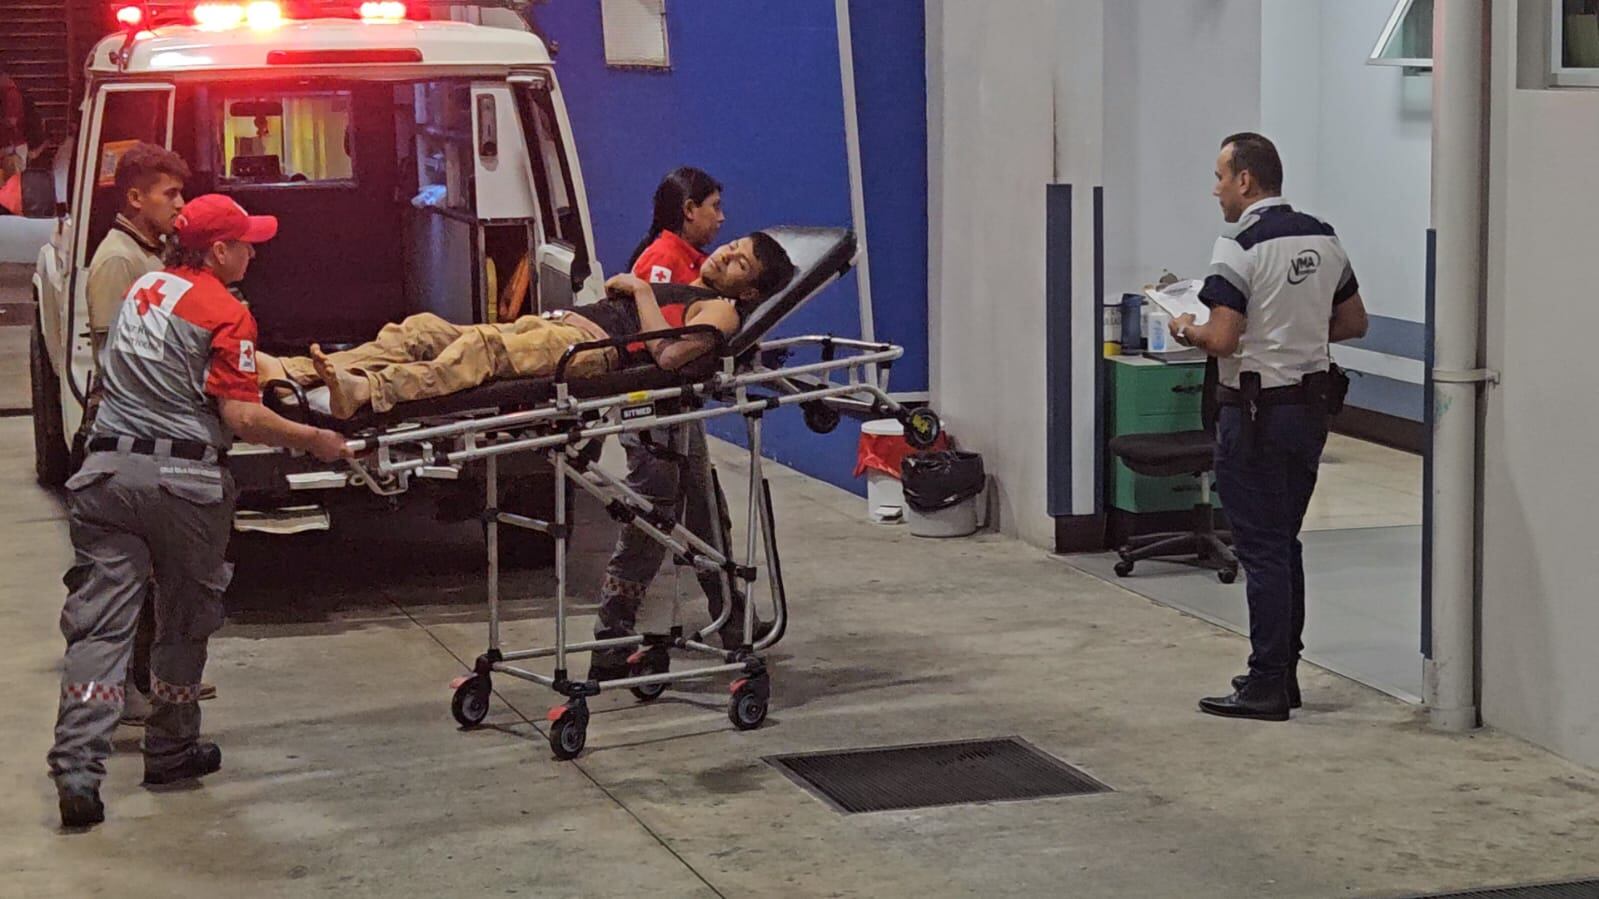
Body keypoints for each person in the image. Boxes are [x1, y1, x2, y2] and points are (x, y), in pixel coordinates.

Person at [50, 194, 352, 829]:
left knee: (100, 627)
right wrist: (314, 439)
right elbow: (239, 417)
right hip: (183, 486)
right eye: (245, 243)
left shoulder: (145, 288)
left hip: (105, 474)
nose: (252, 251)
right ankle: (170, 749)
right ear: (218, 250)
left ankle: (78, 768)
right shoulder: (227, 312)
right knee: (184, 620)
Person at [1168, 132, 1369, 722]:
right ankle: (1284, 673)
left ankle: (1265, 685)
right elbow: (1354, 321)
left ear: (1246, 181)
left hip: (1254, 416)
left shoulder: (1239, 245)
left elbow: (1224, 338)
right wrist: (1294, 332)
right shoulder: (1323, 237)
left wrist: (1185, 326)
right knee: (1284, 542)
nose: (1216, 189)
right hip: (1309, 412)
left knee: (1261, 550)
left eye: (1220, 177)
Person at [258, 234, 795, 419]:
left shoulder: (723, 311)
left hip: (591, 348)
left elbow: (671, 358)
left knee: (482, 349)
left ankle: (367, 391)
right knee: (420, 330)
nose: (727, 255)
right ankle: (294, 371)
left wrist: (642, 292)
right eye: (735, 247)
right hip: (566, 326)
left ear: (748, 291)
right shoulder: (692, 275)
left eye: (740, 263)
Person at [588, 169, 754, 680]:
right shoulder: (663, 265)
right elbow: (665, 351)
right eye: (715, 207)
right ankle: (610, 639)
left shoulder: (690, 265)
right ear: (689, 211)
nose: (721, 220)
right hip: (654, 409)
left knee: (705, 514)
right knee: (648, 524)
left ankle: (734, 623)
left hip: (675, 409)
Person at [82, 143, 205, 727]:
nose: (179, 205)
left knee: (160, 576)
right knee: (126, 580)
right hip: (130, 438)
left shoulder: (152, 253)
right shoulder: (117, 262)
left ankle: (156, 682)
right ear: (135, 198)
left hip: (158, 429)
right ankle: (123, 692)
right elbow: (118, 357)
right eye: (170, 194)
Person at [626, 166, 724, 285]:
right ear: (689, 210)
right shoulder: (661, 259)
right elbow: (653, 304)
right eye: (716, 207)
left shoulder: (703, 263)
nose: (721, 217)